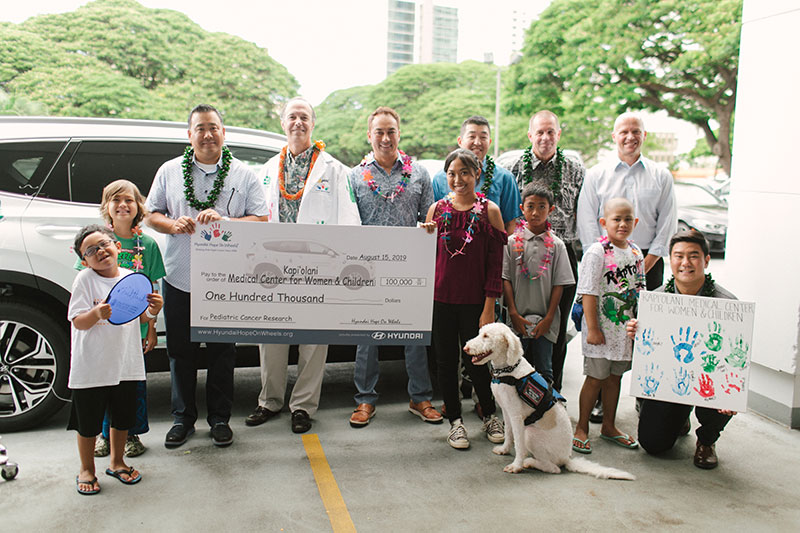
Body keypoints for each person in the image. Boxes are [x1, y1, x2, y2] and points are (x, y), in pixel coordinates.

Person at [145, 104, 269, 448]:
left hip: (224, 282)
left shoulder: (243, 175)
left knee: (222, 353)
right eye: (200, 128)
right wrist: (172, 224)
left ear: (223, 132)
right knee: (180, 352)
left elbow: (261, 219)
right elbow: (150, 212)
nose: (208, 134)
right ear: (190, 135)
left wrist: (227, 223)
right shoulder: (170, 171)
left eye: (213, 127)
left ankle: (219, 419)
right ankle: (182, 419)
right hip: (180, 277)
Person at [246, 97, 361, 434]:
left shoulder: (335, 169)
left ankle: (303, 406)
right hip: (274, 264)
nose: (298, 123)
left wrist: (341, 264)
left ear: (313, 124)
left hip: (318, 265)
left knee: (313, 340)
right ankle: (269, 400)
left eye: (304, 117)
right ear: (283, 123)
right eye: (292, 117)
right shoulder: (267, 169)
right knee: (271, 335)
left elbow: (349, 219)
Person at [576, 112, 676, 422]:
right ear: (614, 136)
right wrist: (607, 256)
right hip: (605, 261)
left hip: (647, 260)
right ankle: (600, 403)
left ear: (644, 136)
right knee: (606, 329)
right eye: (624, 131)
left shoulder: (661, 175)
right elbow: (587, 218)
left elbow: (668, 222)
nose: (630, 136)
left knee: (645, 333)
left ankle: (648, 397)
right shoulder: (597, 173)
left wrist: (645, 262)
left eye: (636, 131)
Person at [347, 106, 442, 428]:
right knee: (366, 337)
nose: (385, 138)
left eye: (391, 132)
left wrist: (428, 228)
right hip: (367, 269)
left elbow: (430, 218)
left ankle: (420, 397)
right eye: (379, 132)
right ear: (369, 135)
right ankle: (364, 400)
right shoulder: (355, 176)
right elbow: (349, 223)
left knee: (414, 335)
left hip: (408, 267)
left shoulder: (419, 174)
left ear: (399, 134)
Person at [627, 229, 736, 469]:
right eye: (678, 256)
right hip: (671, 380)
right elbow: (649, 357)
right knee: (653, 444)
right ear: (670, 260)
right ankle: (679, 417)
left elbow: (732, 359)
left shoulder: (727, 306)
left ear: (707, 260)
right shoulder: (655, 300)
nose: (685, 263)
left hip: (708, 379)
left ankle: (706, 441)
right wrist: (638, 335)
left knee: (723, 397)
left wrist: (731, 393)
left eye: (693, 256)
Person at [68, 224, 163, 495]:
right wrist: (96, 314)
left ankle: (117, 462)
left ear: (117, 247)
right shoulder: (85, 280)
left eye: (104, 244)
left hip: (125, 364)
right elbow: (78, 321)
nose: (100, 251)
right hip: (92, 366)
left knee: (122, 418)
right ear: (83, 260)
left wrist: (154, 310)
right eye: (91, 250)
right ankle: (87, 468)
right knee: (87, 422)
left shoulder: (131, 277)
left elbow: (141, 315)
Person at [424, 148, 506, 449]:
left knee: (478, 363)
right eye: (452, 174)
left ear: (477, 175)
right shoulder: (437, 210)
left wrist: (489, 306)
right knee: (445, 363)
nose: (458, 179)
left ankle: (489, 415)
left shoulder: (490, 211)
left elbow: (496, 266)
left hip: (475, 302)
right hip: (441, 299)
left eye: (465, 173)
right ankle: (455, 422)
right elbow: (424, 256)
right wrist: (423, 233)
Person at [85, 180, 166, 459]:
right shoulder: (97, 242)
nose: (123, 205)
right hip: (103, 329)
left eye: (129, 200)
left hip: (135, 330)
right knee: (103, 382)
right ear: (107, 207)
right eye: (116, 200)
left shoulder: (148, 245)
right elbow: (85, 279)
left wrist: (152, 328)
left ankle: (131, 435)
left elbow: (152, 288)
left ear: (138, 206)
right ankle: (103, 435)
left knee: (132, 385)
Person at [508, 110, 584, 392]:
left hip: (562, 256)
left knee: (556, 327)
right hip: (523, 255)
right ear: (530, 135)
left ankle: (553, 391)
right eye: (539, 132)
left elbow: (584, 214)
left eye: (550, 132)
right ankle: (521, 389)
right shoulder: (515, 167)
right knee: (522, 327)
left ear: (558, 134)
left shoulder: (576, 169)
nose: (545, 137)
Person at [571, 198, 644, 455]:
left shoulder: (636, 252)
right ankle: (581, 427)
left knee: (615, 377)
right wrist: (592, 328)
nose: (622, 224)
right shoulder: (596, 252)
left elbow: (639, 290)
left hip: (623, 331)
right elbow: (588, 292)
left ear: (635, 222)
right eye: (616, 219)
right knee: (595, 378)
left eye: (627, 219)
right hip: (600, 330)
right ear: (604, 223)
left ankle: (609, 426)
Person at [502, 183, 574, 383]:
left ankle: (545, 411)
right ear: (521, 208)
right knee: (515, 368)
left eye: (542, 206)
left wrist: (549, 317)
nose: (535, 212)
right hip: (517, 320)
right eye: (530, 206)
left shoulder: (557, 245)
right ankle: (519, 412)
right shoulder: (511, 242)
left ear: (551, 209)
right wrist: (513, 313)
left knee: (544, 370)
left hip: (545, 321)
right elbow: (505, 279)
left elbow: (559, 284)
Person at [432, 115, 521, 234]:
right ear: (460, 141)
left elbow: (511, 223)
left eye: (483, 137)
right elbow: (434, 221)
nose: (477, 142)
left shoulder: (505, 178)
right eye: (472, 136)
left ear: (489, 142)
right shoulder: (440, 178)